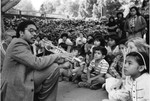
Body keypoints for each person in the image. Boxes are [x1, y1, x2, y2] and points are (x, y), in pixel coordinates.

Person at [1, 20, 71, 101]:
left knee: (54, 67)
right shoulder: (18, 44)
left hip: (22, 77)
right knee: (54, 68)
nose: (34, 34)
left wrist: (58, 61)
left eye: (35, 31)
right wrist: (56, 56)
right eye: (31, 31)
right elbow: (36, 63)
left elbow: (32, 62)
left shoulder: (22, 44)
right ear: (21, 33)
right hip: (15, 84)